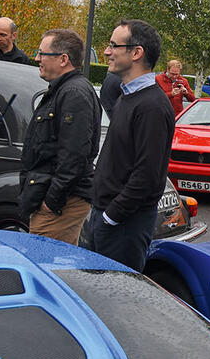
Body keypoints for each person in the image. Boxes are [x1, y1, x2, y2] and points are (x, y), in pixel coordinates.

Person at [82, 19, 174, 271]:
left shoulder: (152, 107)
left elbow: (148, 176)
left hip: (123, 226)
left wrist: (111, 217)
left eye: (113, 45)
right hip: (107, 218)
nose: (106, 51)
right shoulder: (128, 96)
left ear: (136, 52)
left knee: (115, 302)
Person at [20, 29, 101, 244]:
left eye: (42, 53)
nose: (37, 58)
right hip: (58, 202)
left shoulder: (74, 93)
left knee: (46, 266)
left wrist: (51, 202)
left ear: (63, 59)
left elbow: (74, 155)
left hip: (62, 205)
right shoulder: (64, 90)